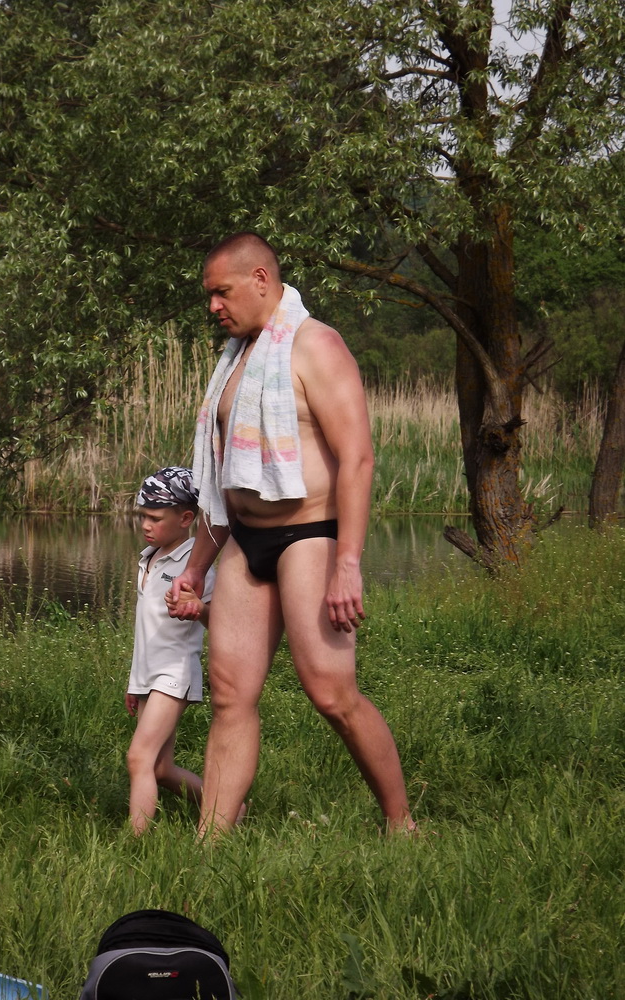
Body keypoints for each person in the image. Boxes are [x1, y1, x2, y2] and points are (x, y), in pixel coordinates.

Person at [170, 232, 415, 836]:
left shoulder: (315, 345)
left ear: (260, 279)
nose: (213, 306)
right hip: (245, 539)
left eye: (222, 292)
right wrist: (197, 566)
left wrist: (348, 563)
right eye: (208, 296)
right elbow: (224, 481)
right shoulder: (237, 359)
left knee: (331, 693)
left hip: (310, 534)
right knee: (230, 695)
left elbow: (357, 458)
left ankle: (401, 822)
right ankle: (210, 843)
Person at [125, 466, 214, 835]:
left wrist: (200, 608)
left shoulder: (198, 566)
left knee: (139, 758)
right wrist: (134, 683)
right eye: (143, 516)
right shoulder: (148, 557)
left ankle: (136, 843)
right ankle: (228, 807)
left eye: (155, 518)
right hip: (148, 675)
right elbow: (146, 631)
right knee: (160, 769)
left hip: (174, 674)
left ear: (186, 519)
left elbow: (222, 623)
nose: (146, 525)